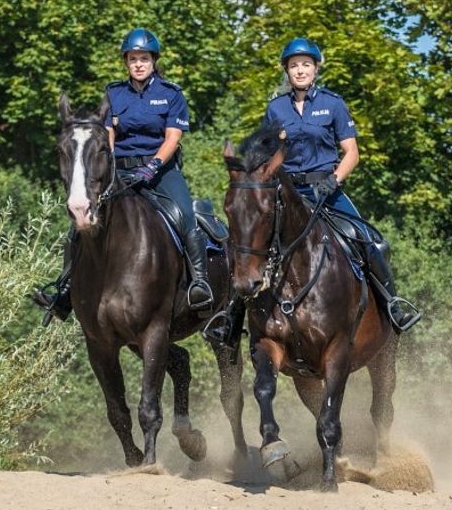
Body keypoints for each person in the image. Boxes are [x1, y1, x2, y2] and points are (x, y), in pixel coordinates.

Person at [207, 37, 421, 349]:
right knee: (251, 244)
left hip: (328, 190)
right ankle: (231, 318)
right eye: (294, 66)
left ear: (316, 68)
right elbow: (266, 156)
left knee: (369, 241)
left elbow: (352, 152)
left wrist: (334, 180)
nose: (300, 70)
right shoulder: (275, 108)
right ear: (287, 71)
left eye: (306, 64)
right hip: (289, 193)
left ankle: (393, 306)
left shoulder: (333, 104)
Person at [32, 28, 214, 325]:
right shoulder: (114, 94)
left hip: (161, 170)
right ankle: (64, 289)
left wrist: (152, 166)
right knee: (81, 224)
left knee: (185, 216)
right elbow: (108, 137)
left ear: (154, 60)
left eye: (144, 58)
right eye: (133, 59)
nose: (138, 64)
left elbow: (172, 138)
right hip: (120, 170)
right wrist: (110, 169)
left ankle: (199, 283)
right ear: (126, 62)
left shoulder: (171, 94)